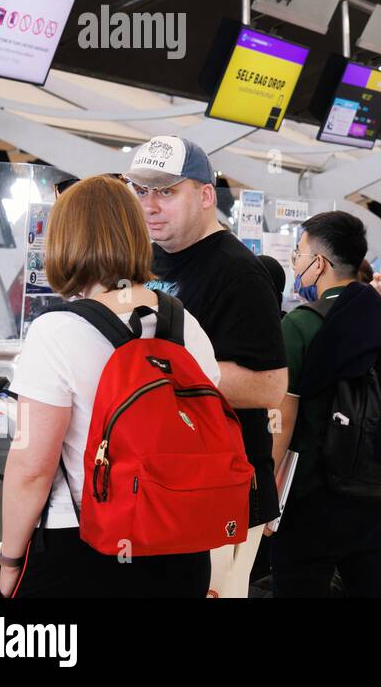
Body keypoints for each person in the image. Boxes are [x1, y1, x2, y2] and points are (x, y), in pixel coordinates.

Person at [0, 175, 220, 597]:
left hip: (83, 543)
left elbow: (32, 469)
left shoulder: (57, 331)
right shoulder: (186, 324)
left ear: (64, 240)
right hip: (179, 544)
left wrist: (10, 560)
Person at [129, 136, 287, 598]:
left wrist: (161, 375)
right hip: (161, 484)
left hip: (221, 490)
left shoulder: (238, 272)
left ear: (204, 196)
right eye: (140, 191)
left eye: (165, 191)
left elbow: (270, 385)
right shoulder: (143, 260)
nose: (150, 206)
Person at [271, 212, 381, 596]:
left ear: (319, 264)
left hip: (314, 493)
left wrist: (265, 488)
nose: (295, 263)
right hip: (380, 488)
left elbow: (282, 419)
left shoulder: (300, 324)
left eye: (299, 254)